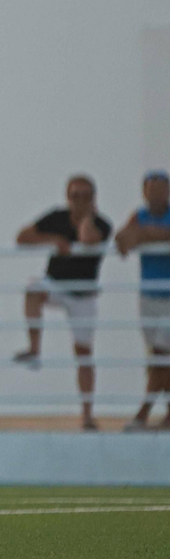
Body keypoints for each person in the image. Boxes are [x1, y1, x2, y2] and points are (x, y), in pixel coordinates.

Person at [15, 174, 112, 430]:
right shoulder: (56, 217)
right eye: (75, 195)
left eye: (85, 195)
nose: (79, 200)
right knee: (32, 291)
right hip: (56, 284)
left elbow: (88, 239)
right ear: (67, 197)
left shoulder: (102, 223)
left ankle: (87, 415)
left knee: (83, 353)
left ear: (94, 198)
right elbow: (22, 236)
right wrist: (52, 240)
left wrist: (87, 215)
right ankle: (34, 349)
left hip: (83, 294)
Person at [116, 170, 170, 431]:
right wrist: (142, 233)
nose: (157, 194)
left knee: (161, 355)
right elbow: (123, 240)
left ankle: (142, 413)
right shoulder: (139, 215)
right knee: (159, 360)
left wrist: (146, 233)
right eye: (152, 189)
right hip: (149, 297)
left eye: (162, 188)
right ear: (145, 192)